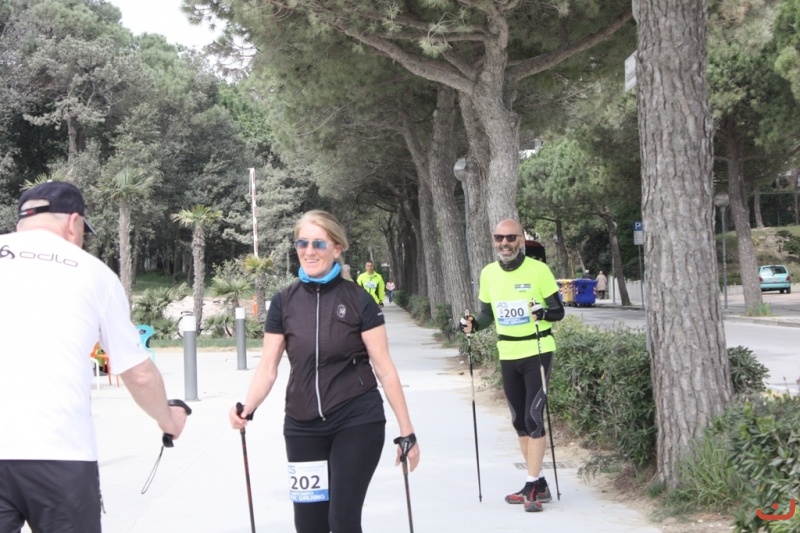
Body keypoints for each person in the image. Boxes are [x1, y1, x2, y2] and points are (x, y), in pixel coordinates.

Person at [0, 181, 188, 532]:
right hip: (60, 454)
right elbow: (137, 373)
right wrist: (168, 421)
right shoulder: (92, 272)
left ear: (21, 222)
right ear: (74, 223)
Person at [230, 210, 419, 533]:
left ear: (337, 248)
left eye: (318, 243)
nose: (309, 251)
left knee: (342, 520)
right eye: (302, 243)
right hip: (302, 426)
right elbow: (268, 367)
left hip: (356, 419)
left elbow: (384, 368)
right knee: (309, 525)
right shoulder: (284, 302)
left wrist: (407, 431)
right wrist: (247, 407)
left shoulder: (359, 300)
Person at [460, 219, 564, 513]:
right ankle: (538, 483)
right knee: (519, 421)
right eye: (499, 238)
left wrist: (543, 313)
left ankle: (531, 486)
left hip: (537, 351)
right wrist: (472, 324)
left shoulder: (538, 270)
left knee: (533, 418)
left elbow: (557, 311)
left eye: (510, 237)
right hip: (507, 352)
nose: (504, 243)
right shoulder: (488, 273)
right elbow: (487, 315)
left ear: (520, 240)